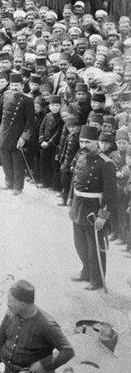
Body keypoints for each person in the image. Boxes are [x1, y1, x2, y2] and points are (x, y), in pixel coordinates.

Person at [68, 125, 117, 291]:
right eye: (81, 141)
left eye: (87, 142)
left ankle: (97, 280)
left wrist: (103, 216)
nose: (83, 145)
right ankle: (85, 272)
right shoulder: (80, 156)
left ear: (97, 143)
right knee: (79, 245)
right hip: (78, 206)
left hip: (93, 210)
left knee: (94, 248)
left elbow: (110, 195)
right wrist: (70, 200)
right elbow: (74, 180)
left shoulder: (106, 163)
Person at [0, 280, 74, 373]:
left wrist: (43, 364)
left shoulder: (46, 324)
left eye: (11, 301)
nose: (7, 304)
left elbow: (67, 351)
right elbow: (1, 336)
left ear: (22, 305)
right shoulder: (11, 312)